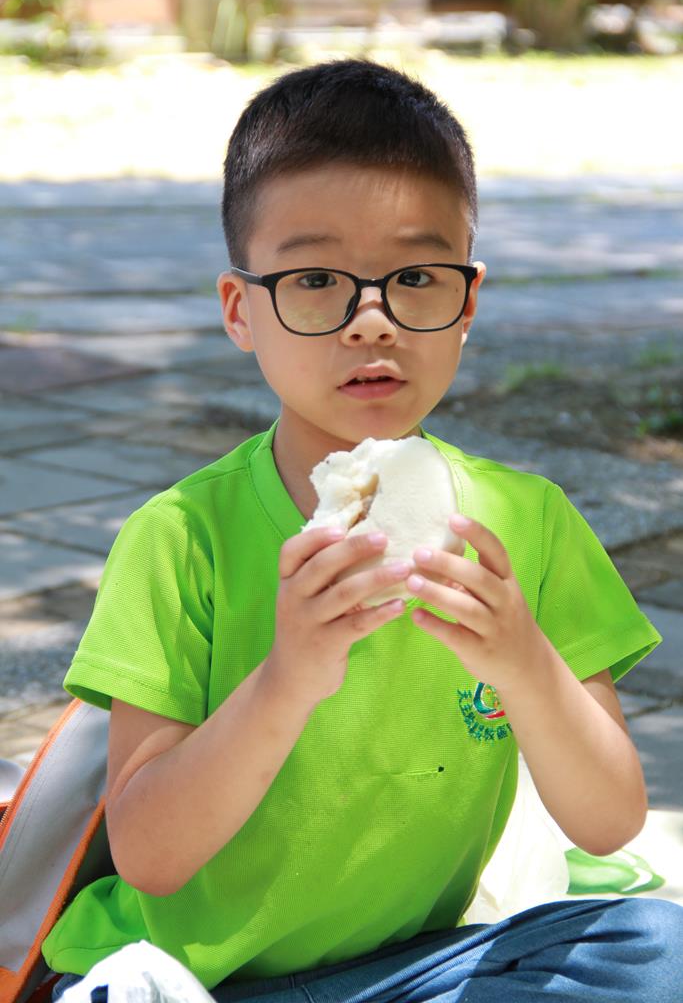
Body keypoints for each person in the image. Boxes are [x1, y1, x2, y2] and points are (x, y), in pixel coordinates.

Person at [45, 58, 683, 1002]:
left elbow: (607, 821)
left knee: (653, 948)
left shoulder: (527, 521)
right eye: (314, 279)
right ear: (241, 312)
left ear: (467, 302)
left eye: (416, 277)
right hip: (197, 977)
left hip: (409, 969)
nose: (371, 321)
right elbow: (149, 856)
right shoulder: (180, 536)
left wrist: (524, 666)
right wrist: (287, 680)